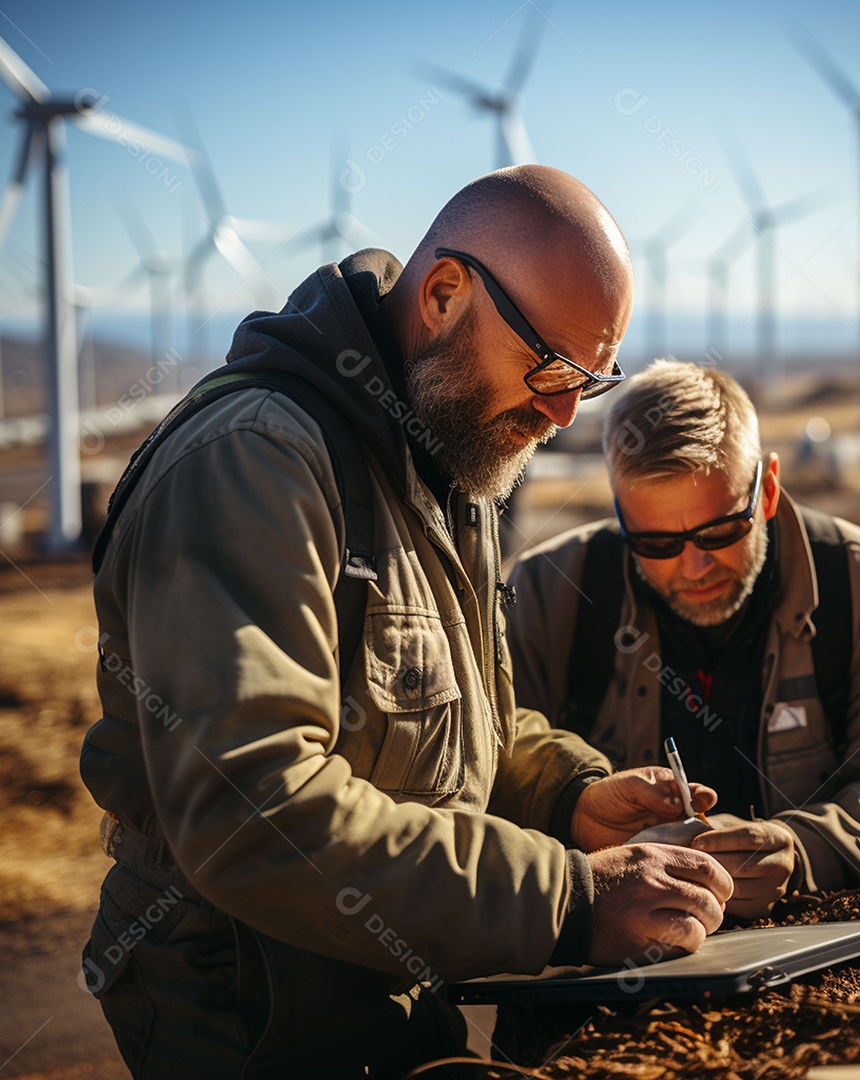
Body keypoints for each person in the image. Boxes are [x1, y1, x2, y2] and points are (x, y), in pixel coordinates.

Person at [78, 170, 733, 1079]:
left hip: (390, 992)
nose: (560, 413)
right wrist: (569, 901)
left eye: (589, 380)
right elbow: (252, 811)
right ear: (442, 293)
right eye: (549, 366)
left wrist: (571, 799)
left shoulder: (447, 454)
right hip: (257, 1021)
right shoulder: (255, 463)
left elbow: (462, 730)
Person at [507, 359, 860, 921]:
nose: (694, 566)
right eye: (656, 544)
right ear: (621, 518)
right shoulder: (548, 592)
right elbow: (491, 780)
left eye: (721, 531)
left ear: (768, 490)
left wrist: (804, 852)